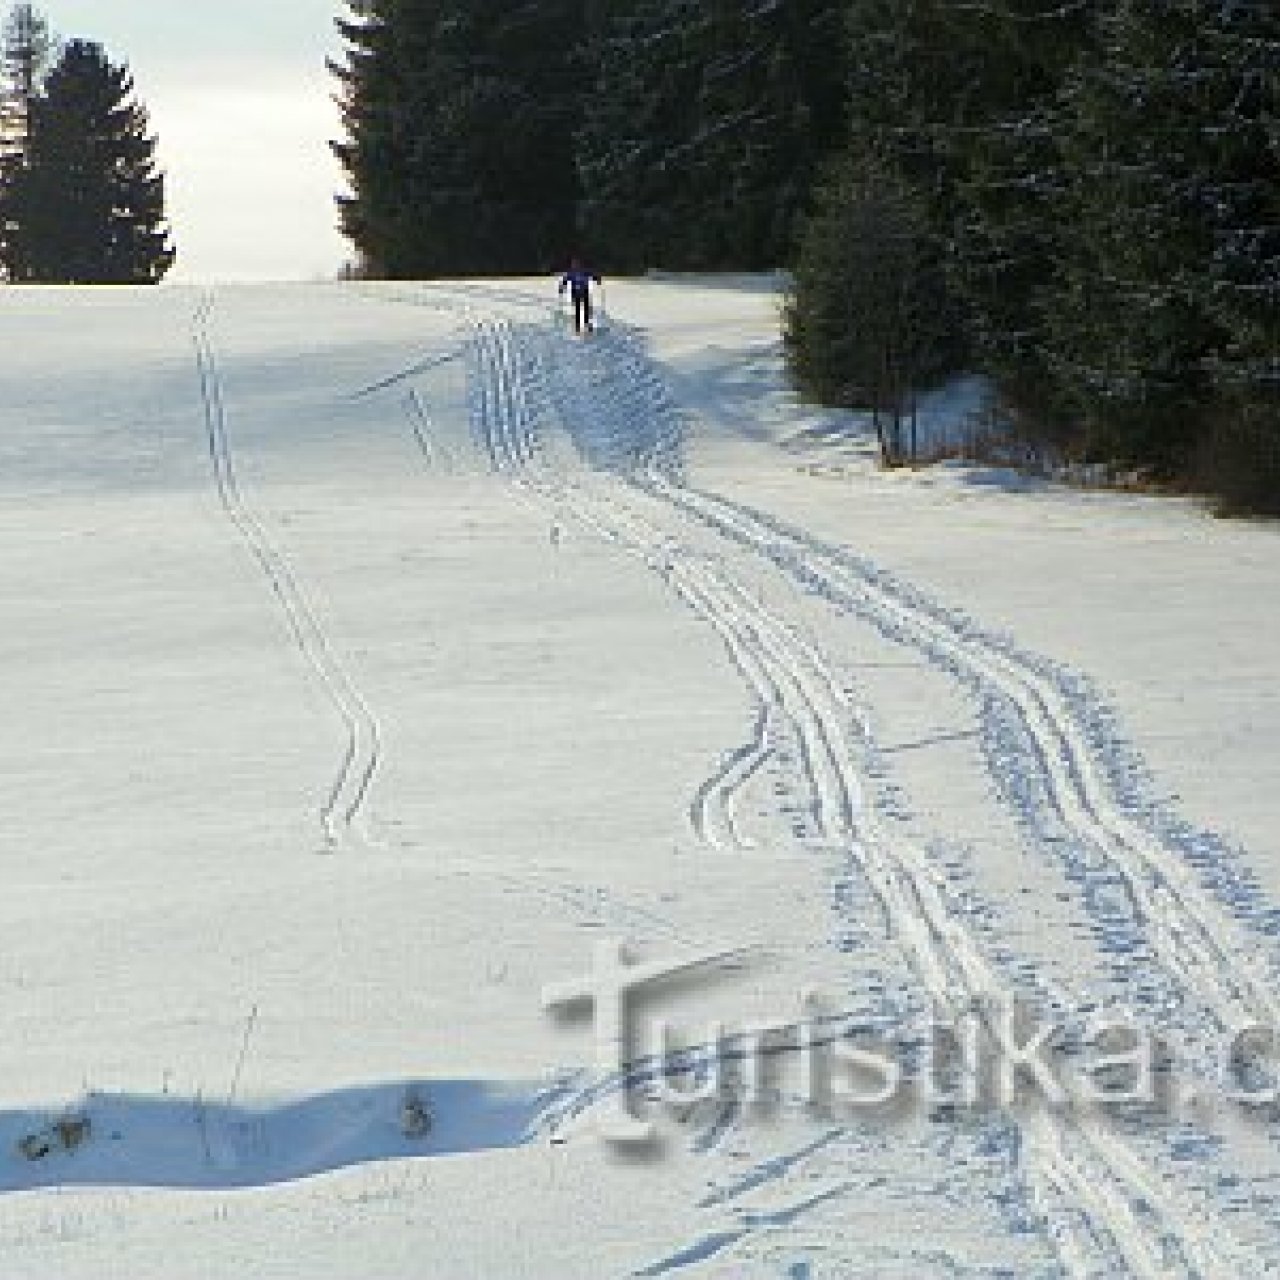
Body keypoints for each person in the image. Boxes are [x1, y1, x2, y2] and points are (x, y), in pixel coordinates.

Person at [558, 258, 602, 334]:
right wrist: (561, 288)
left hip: (584, 292)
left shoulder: (584, 271)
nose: (575, 265)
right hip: (575, 293)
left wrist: (597, 279)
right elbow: (565, 281)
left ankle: (587, 325)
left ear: (579, 264)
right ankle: (578, 326)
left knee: (587, 309)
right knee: (578, 310)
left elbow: (592, 275)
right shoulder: (570, 273)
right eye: (573, 264)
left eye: (576, 264)